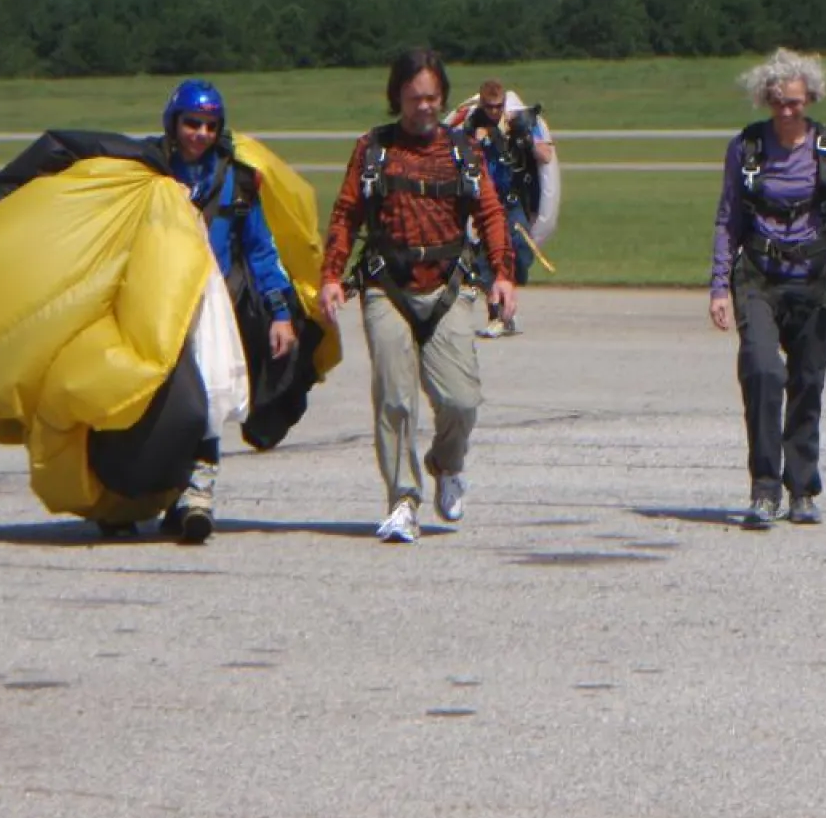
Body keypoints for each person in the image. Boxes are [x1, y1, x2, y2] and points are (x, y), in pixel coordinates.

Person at [318, 49, 517, 545]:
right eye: (413, 99)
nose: (424, 107)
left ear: (443, 96)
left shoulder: (463, 152)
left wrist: (504, 275)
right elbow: (346, 214)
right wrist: (331, 275)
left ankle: (447, 464)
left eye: (431, 98)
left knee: (461, 399)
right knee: (395, 399)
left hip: (448, 289)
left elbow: (491, 214)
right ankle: (403, 500)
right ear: (397, 97)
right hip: (387, 288)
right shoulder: (373, 150)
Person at [709, 48, 826, 529]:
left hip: (816, 279)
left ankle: (801, 487)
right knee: (762, 373)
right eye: (779, 102)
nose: (787, 111)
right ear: (766, 100)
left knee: (807, 382)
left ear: (810, 99)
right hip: (758, 276)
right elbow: (728, 219)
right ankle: (764, 489)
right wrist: (719, 284)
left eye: (796, 103)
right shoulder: (746, 149)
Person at [156, 79, 298, 543]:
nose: (199, 132)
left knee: (211, 397)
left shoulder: (236, 182)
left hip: (213, 311)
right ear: (173, 124)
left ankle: (199, 494)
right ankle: (148, 492)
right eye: (191, 123)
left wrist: (280, 312)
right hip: (155, 305)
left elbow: (260, 250)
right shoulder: (147, 172)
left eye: (209, 125)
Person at [463, 77, 556, 338]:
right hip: (484, 200)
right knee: (487, 256)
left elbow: (546, 155)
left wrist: (523, 138)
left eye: (498, 106)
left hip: (513, 200)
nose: (494, 112)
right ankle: (498, 313)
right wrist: (476, 141)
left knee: (518, 248)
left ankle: (507, 309)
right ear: (481, 105)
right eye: (489, 107)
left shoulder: (518, 124)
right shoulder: (472, 128)